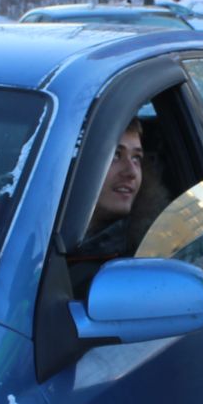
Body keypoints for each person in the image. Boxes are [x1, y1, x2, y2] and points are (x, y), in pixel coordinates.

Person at [67, 119, 144, 293]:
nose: (131, 172)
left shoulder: (145, 253)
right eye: (115, 155)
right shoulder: (18, 236)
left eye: (136, 158)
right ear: (75, 162)